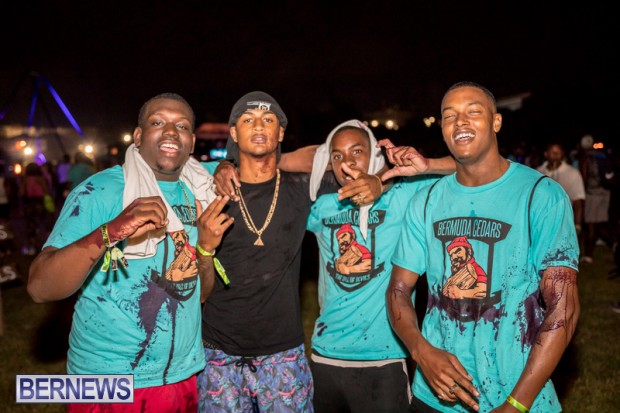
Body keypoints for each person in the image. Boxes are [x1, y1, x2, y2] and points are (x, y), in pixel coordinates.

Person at [27, 92, 231, 412]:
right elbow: (40, 287)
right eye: (157, 122)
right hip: (107, 381)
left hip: (183, 375)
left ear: (191, 141)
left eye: (181, 126)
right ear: (137, 136)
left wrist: (205, 250)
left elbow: (200, 295)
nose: (170, 131)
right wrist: (111, 231)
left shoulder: (199, 190)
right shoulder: (99, 191)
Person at [385, 81, 580, 412]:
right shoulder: (426, 200)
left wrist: (516, 404)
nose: (460, 121)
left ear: (496, 122)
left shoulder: (541, 195)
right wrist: (421, 351)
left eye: (473, 112)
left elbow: (564, 309)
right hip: (435, 395)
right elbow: (398, 289)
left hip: (515, 393)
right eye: (449, 115)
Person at [196, 92, 385, 413]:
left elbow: (365, 165)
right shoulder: (210, 189)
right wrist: (204, 248)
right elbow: (199, 293)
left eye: (268, 120)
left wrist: (378, 182)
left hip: (282, 354)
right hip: (218, 353)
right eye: (248, 120)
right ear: (234, 133)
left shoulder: (304, 187)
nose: (259, 126)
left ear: (281, 132)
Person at [306, 119, 451, 412]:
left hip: (384, 357)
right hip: (325, 355)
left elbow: (468, 167)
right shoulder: (323, 207)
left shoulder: (403, 197)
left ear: (374, 154)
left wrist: (386, 179)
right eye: (337, 155)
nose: (347, 162)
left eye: (357, 151)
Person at [537, 142, 586, 235]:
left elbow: (578, 201)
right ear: (546, 154)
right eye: (552, 152)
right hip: (542, 223)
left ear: (563, 154)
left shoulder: (573, 173)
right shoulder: (538, 172)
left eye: (558, 152)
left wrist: (578, 225)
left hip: (564, 223)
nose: (555, 155)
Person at [578, 134, 612, 263]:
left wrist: (582, 194)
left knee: (590, 225)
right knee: (600, 223)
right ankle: (613, 244)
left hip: (592, 193)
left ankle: (588, 255)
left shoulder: (586, 158)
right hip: (605, 192)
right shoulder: (602, 155)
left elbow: (584, 177)